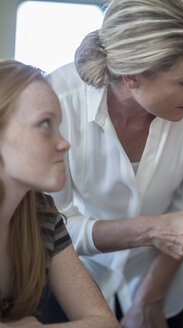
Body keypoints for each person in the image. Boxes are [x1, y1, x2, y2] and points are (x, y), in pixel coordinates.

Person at [46, 0, 183, 327]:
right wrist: (152, 230)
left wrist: (150, 298)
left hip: (160, 283)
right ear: (132, 76)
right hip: (69, 277)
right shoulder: (58, 102)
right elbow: (50, 225)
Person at [0, 60, 119, 327]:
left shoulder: (41, 212)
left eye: (59, 125)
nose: (64, 143)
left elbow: (105, 323)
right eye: (45, 125)